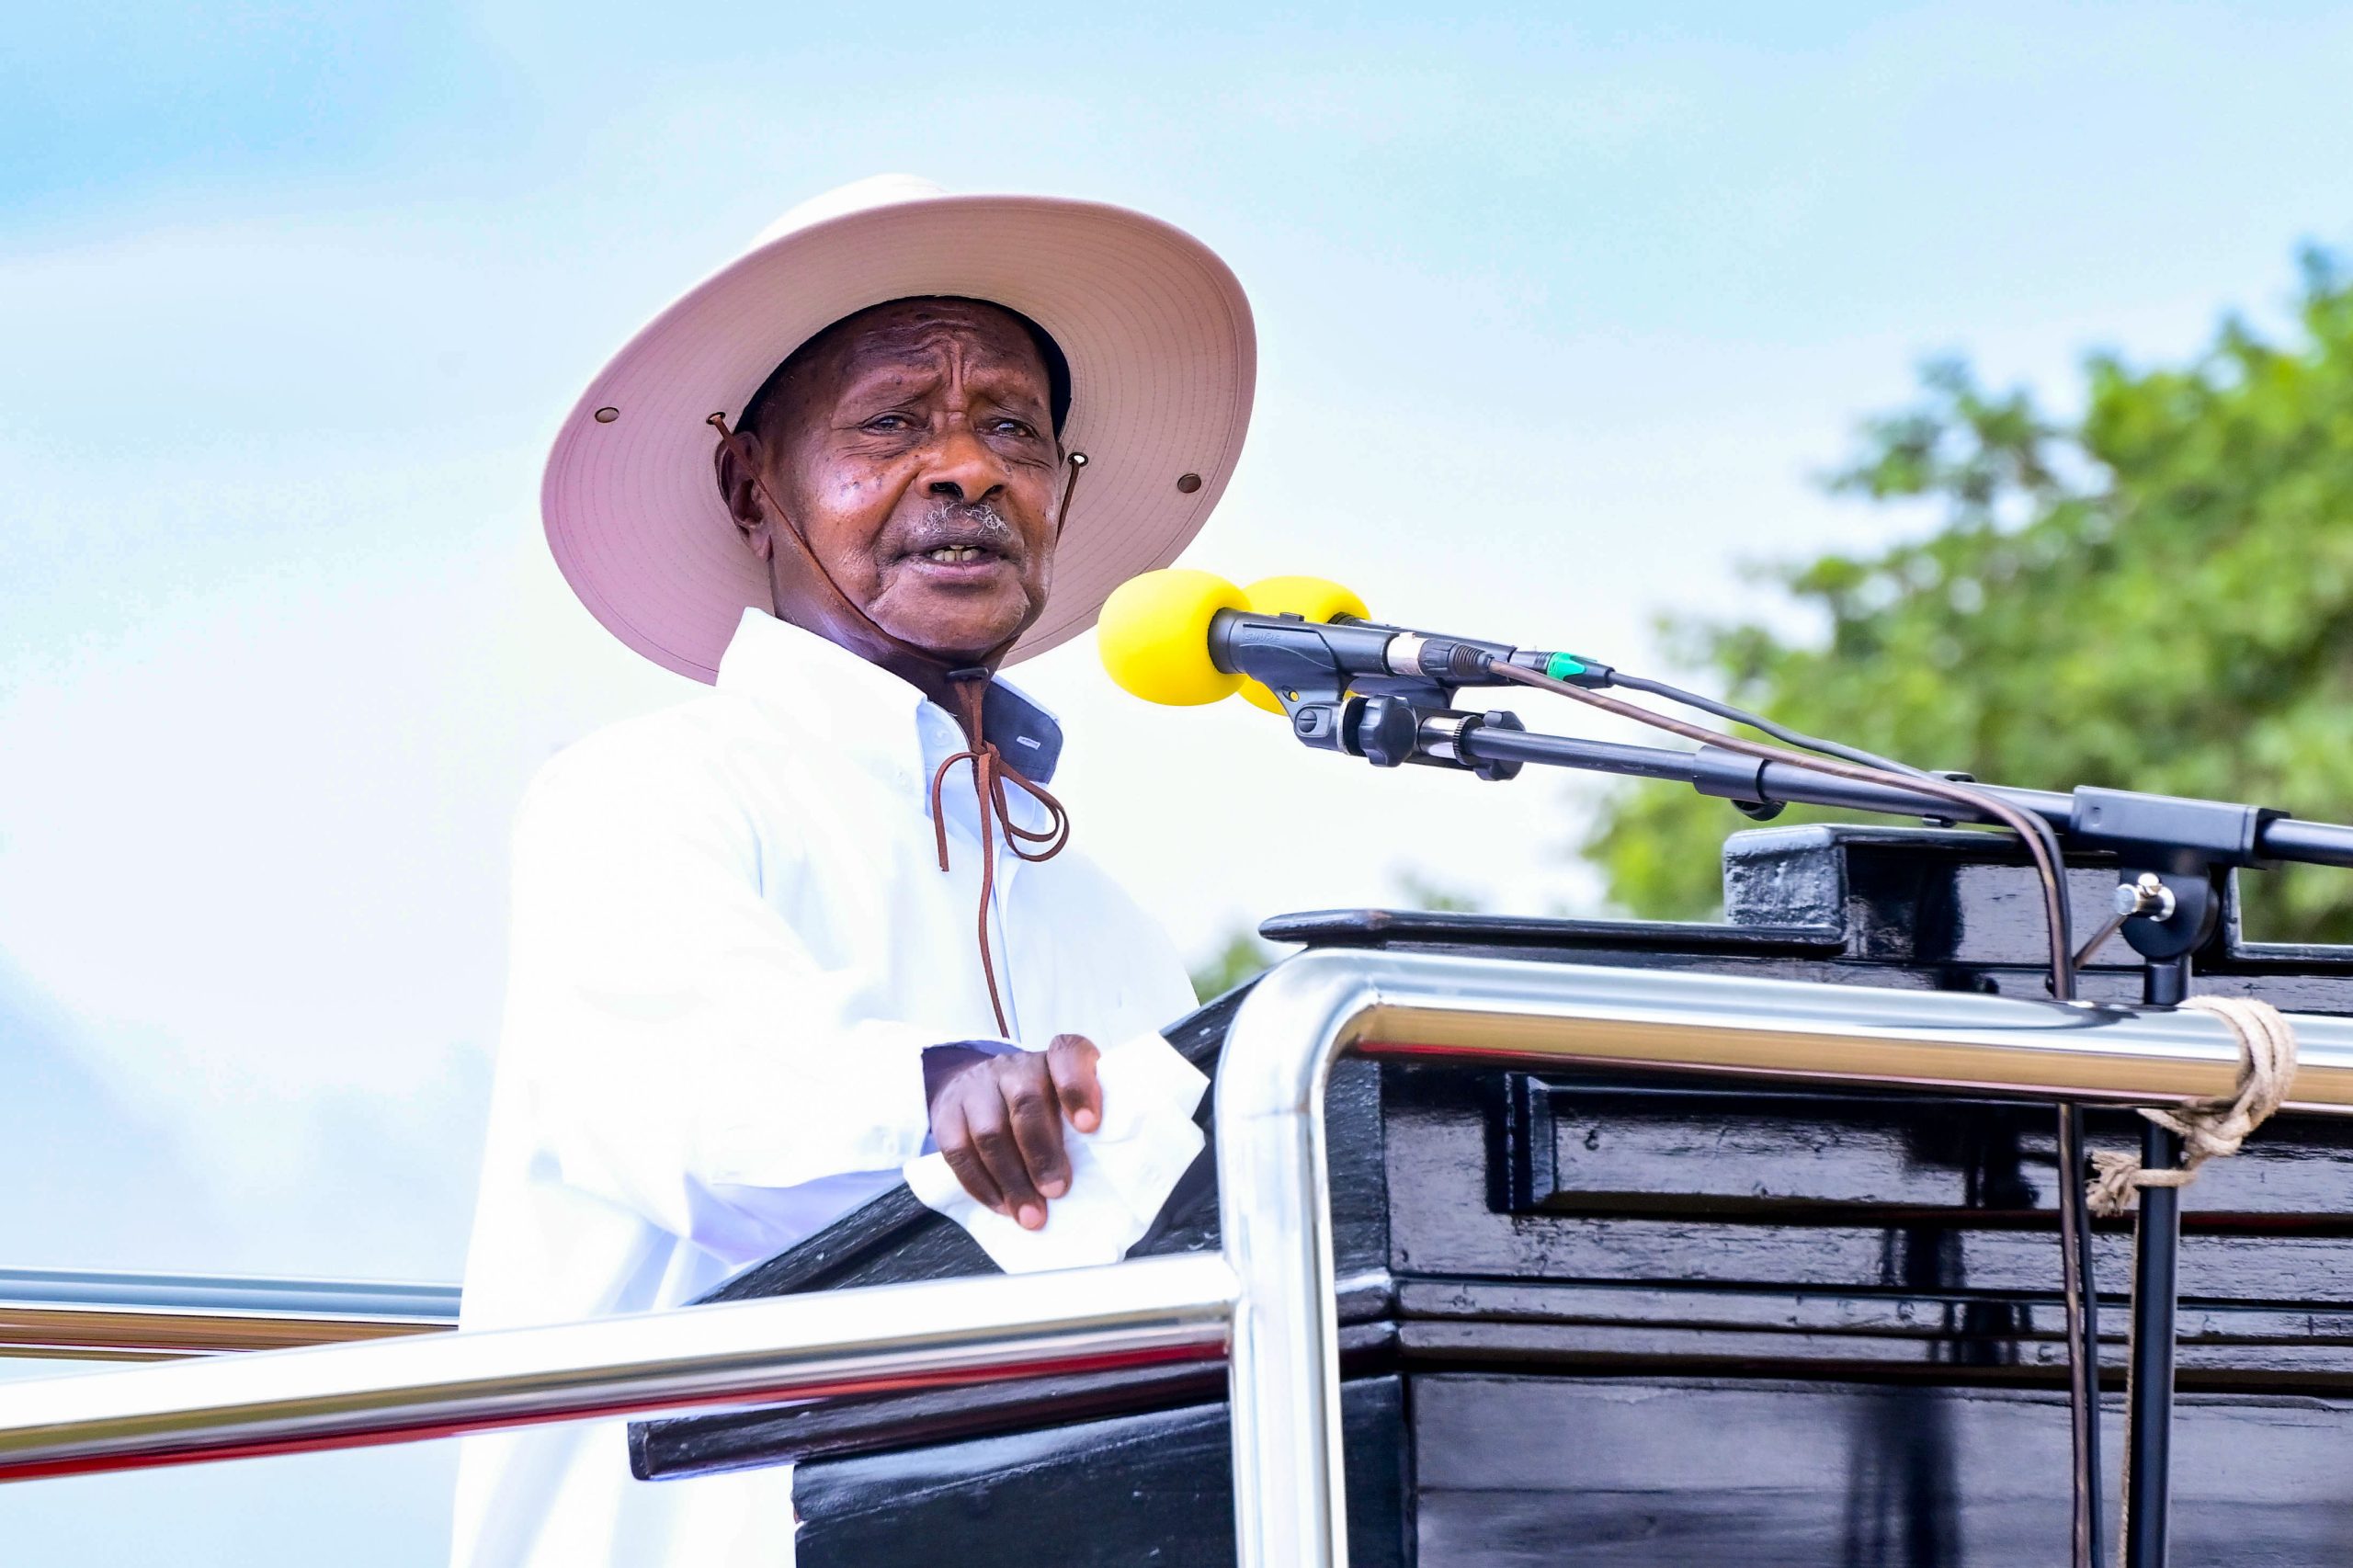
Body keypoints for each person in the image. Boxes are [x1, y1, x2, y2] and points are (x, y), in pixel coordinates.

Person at [449, 175, 1255, 1567]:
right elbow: (718, 1120)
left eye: (1012, 426)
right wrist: (944, 1092)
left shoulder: (1103, 916)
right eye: (892, 423)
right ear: (747, 482)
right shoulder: (649, 792)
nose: (966, 469)